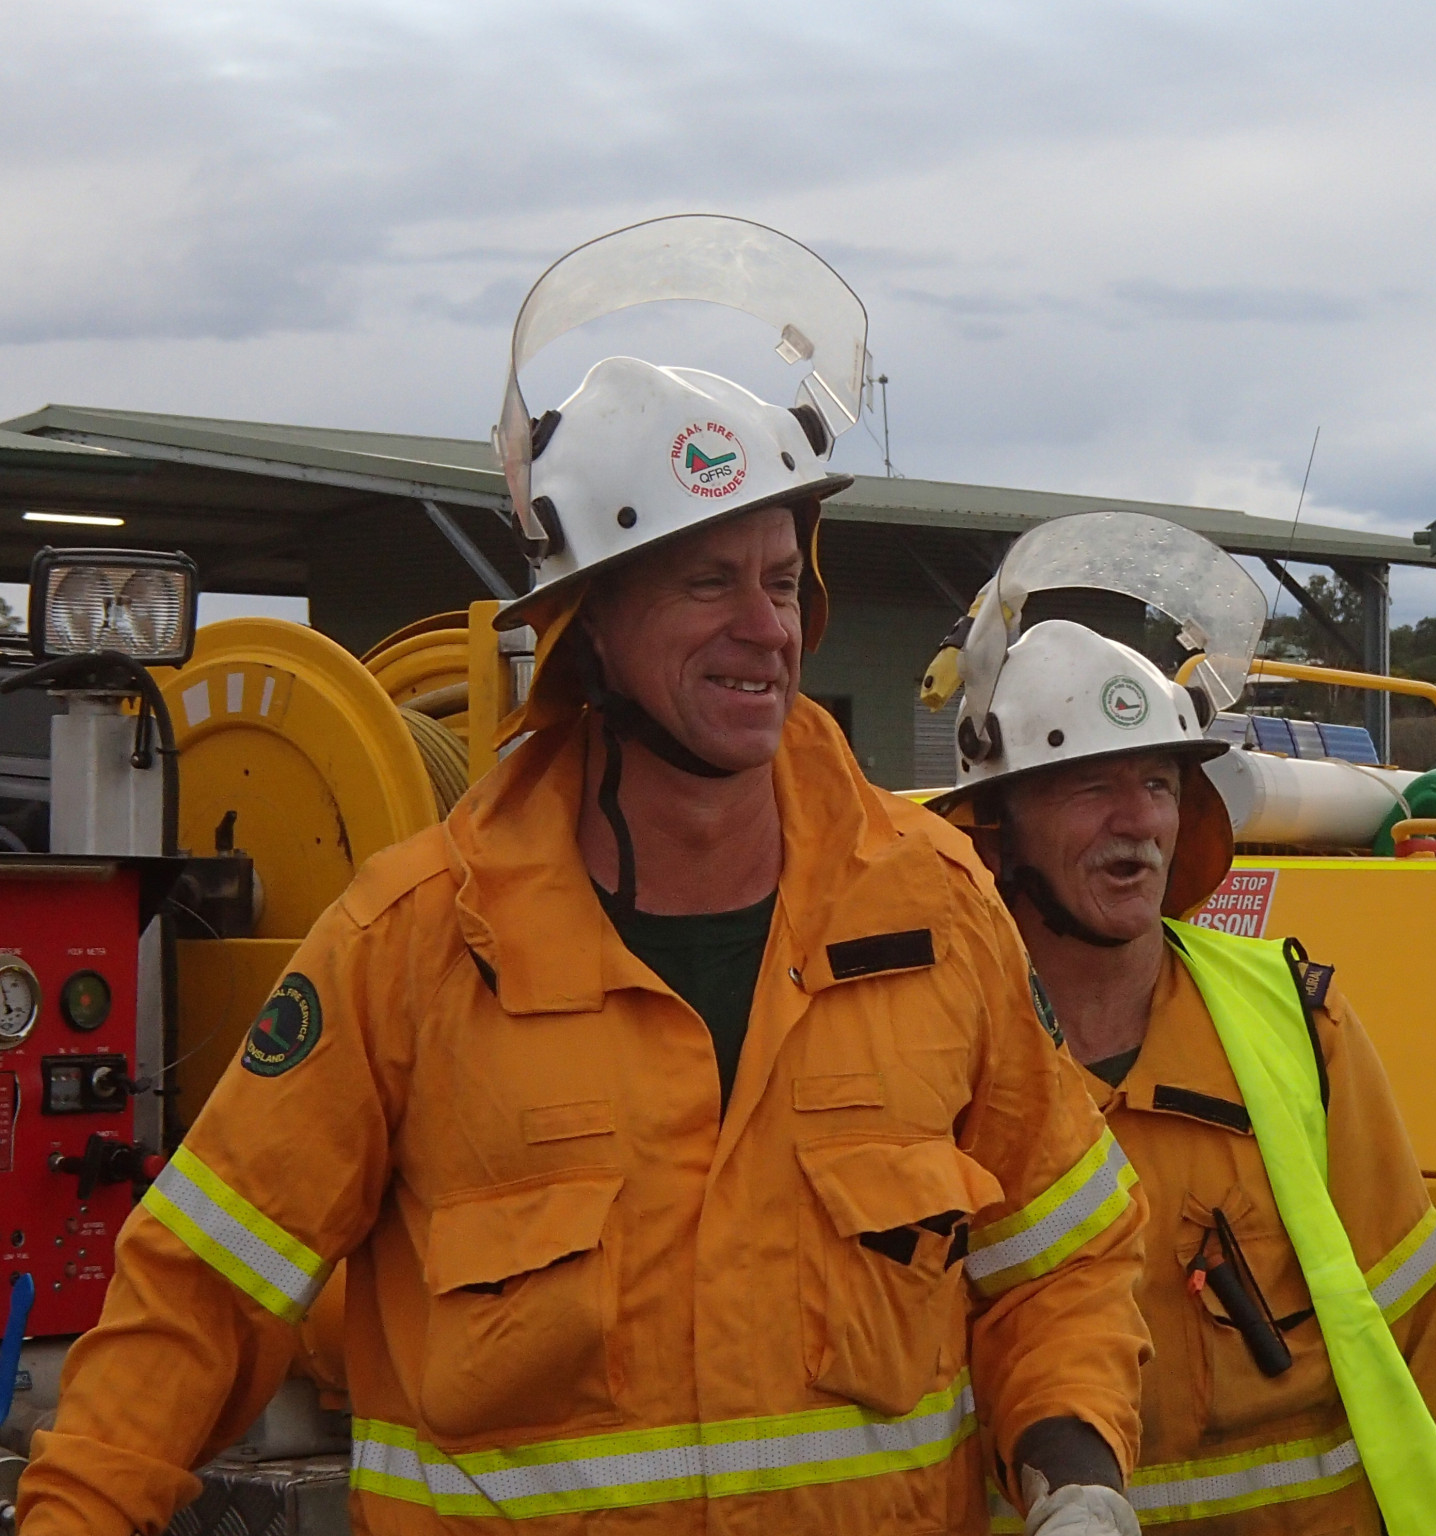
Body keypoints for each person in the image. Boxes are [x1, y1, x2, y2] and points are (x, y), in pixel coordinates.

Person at [19, 218, 1148, 1536]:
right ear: (592, 624)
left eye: (783, 582)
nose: (764, 629)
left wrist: (1076, 1474)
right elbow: (198, 1300)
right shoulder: (414, 946)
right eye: (707, 583)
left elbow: (1059, 1261)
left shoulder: (935, 908)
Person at [927, 512, 1436, 1536]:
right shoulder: (930, 1047)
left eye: (1155, 783)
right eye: (1088, 786)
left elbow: (1419, 1329)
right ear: (997, 827)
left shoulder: (1296, 1025)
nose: (1137, 821)